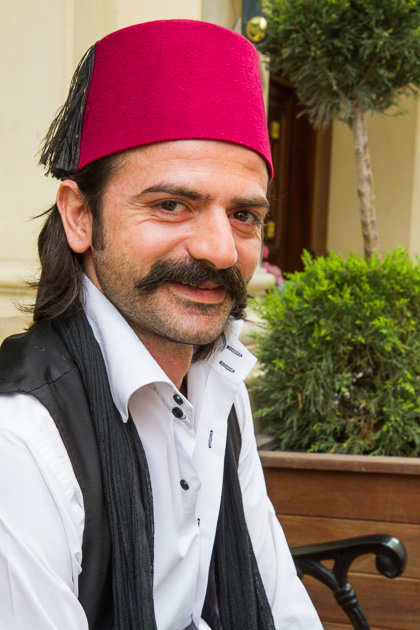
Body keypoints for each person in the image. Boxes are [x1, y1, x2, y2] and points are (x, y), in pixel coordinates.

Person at [0, 20, 323, 630]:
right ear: (80, 218)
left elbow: (279, 602)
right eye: (172, 205)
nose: (221, 250)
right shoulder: (19, 442)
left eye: (245, 215)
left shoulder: (220, 389)